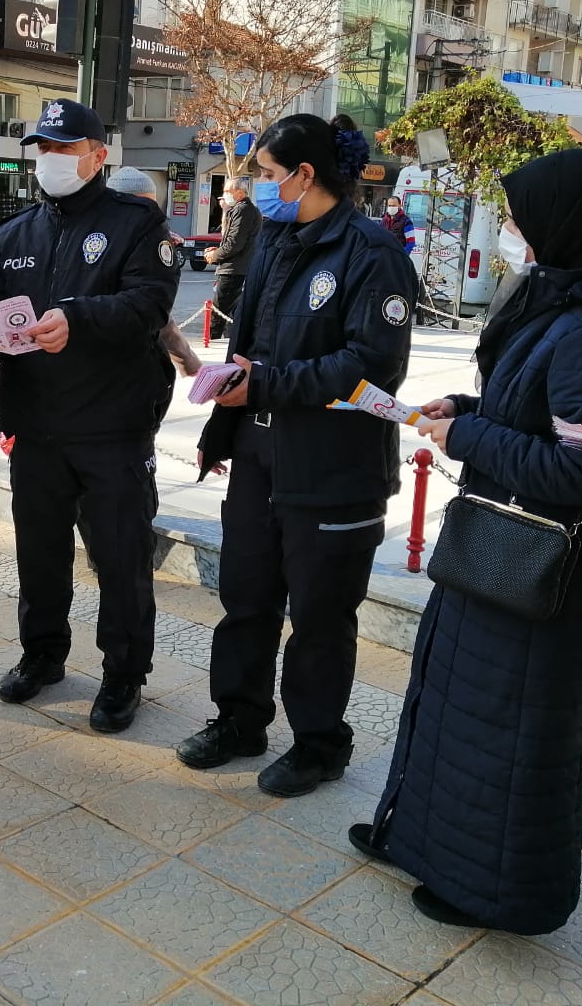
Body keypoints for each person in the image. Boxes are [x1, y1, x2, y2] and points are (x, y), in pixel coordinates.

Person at [348, 148, 582, 931]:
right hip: (496, 531)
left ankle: (495, 891)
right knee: (454, 703)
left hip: (541, 555)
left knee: (508, 729)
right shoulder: (553, 299)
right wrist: (465, 407)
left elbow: (580, 469)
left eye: (518, 217)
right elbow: (529, 411)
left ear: (561, 221)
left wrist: (469, 436)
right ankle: (421, 840)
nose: (510, 229)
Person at [177, 115, 416, 796]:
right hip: (259, 453)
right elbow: (249, 349)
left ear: (305, 176)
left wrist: (267, 384)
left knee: (319, 617)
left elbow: (372, 366)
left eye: (267, 173)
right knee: (246, 598)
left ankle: (319, 743)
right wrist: (225, 423)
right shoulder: (276, 241)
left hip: (333, 466)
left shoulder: (372, 254)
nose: (257, 184)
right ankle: (239, 719)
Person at [0, 99, 179, 734]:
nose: (50, 159)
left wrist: (78, 318)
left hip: (112, 425)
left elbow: (149, 306)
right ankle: (42, 655)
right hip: (37, 424)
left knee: (120, 558)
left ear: (97, 156)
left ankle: (124, 674)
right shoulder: (17, 232)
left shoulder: (136, 223)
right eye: (42, 148)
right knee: (39, 553)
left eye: (64, 148)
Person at [106, 165, 201, 379]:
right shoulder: (129, 243)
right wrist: (187, 358)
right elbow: (150, 312)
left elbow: (156, 310)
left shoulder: (148, 239)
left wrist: (187, 358)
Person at [205, 180, 259, 340]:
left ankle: (213, 342)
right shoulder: (241, 210)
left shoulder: (243, 210)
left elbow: (234, 244)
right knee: (231, 315)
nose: (225, 195)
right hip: (237, 267)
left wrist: (214, 256)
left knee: (218, 313)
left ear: (240, 193)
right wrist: (216, 251)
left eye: (228, 191)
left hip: (233, 270)